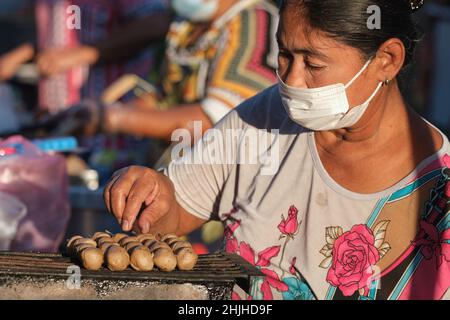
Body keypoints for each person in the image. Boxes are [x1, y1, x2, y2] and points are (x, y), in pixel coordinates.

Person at [103, 0, 450, 300]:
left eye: (313, 64)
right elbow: (177, 208)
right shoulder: (266, 117)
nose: (292, 80)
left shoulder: (439, 197)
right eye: (285, 55)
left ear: (386, 60)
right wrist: (155, 195)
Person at [100, 0, 279, 141]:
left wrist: (116, 118)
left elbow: (216, 121)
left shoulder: (255, 22)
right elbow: (164, 99)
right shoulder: (185, 26)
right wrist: (103, 112)